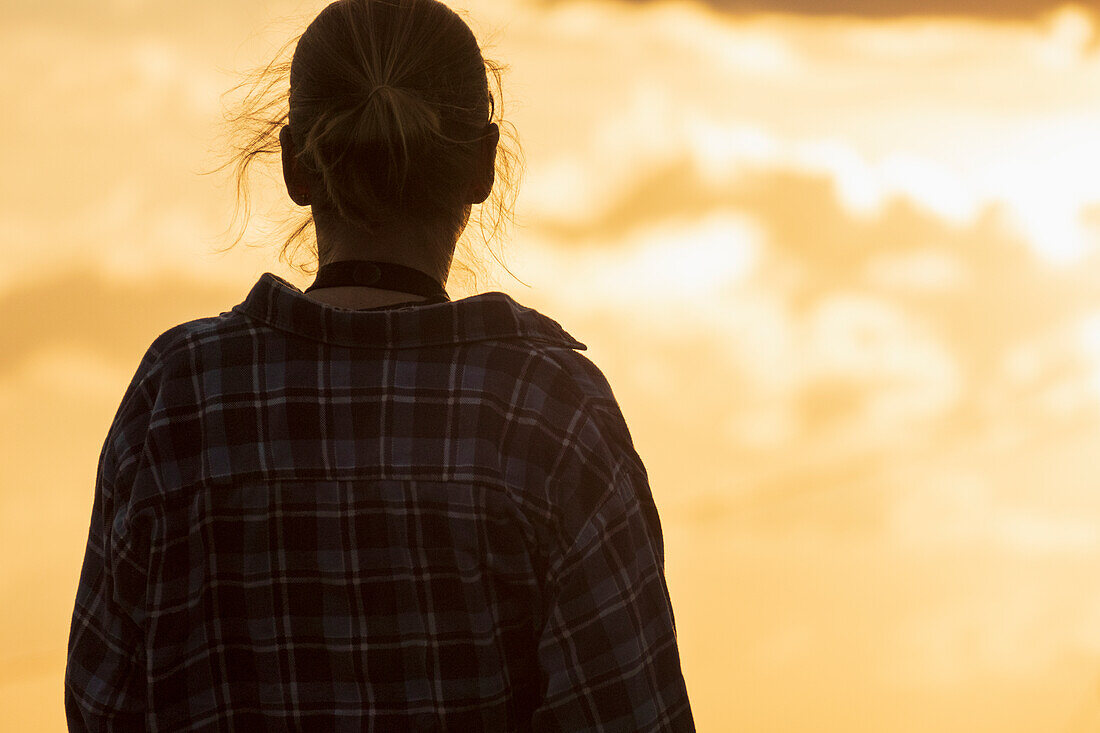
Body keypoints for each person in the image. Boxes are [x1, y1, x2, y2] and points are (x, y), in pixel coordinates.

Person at [64, 0, 695, 730]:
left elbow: (100, 707)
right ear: (483, 165)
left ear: (296, 164)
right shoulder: (546, 409)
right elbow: (633, 712)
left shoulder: (179, 400)